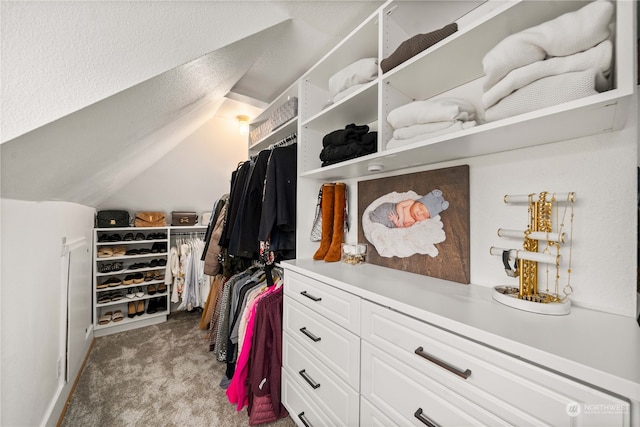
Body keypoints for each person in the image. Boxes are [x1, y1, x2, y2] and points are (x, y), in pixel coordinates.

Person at [369, 189, 449, 228]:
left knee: (382, 223)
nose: (418, 213)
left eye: (423, 215)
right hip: (390, 208)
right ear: (418, 201)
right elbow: (399, 205)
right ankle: (375, 216)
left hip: (392, 222)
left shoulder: (412, 221)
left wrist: (396, 222)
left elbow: (402, 227)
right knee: (383, 210)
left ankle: (376, 220)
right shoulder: (411, 202)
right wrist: (401, 217)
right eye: (420, 208)